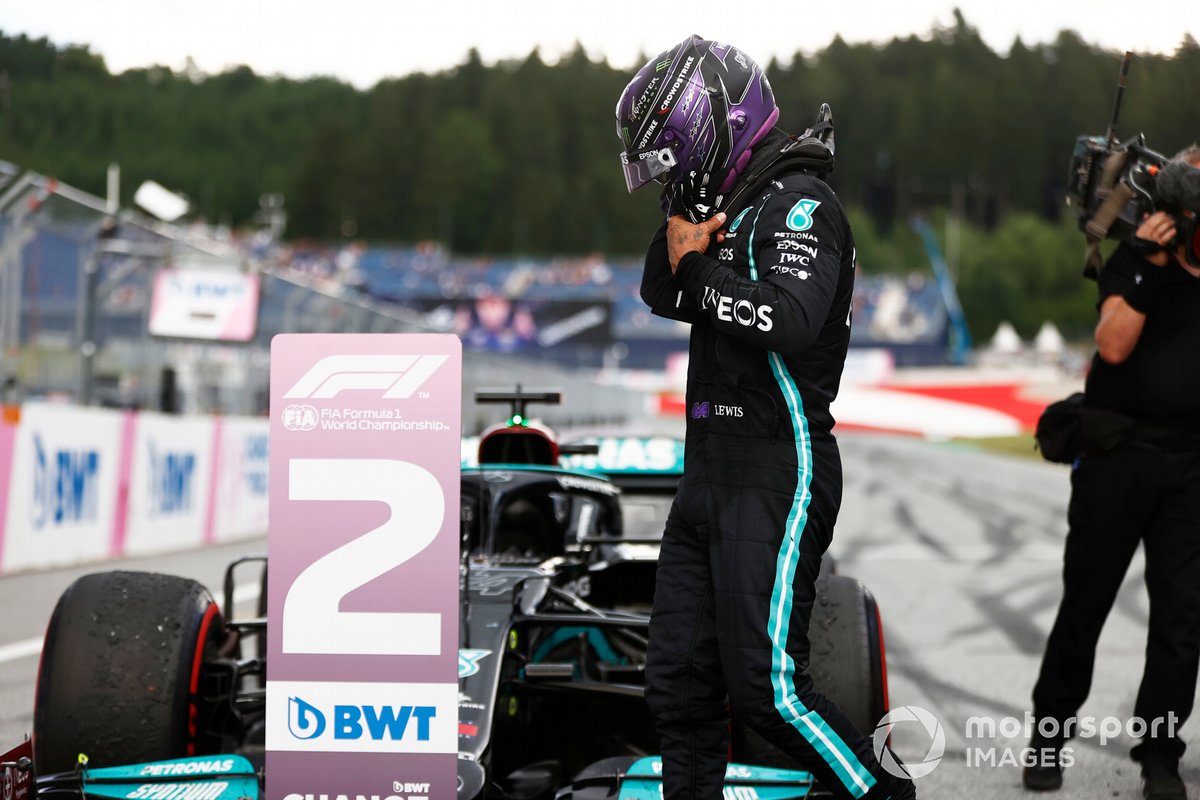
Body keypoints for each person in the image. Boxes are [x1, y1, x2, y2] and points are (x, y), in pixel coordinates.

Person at [615, 35, 915, 800]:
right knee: (678, 687)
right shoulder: (732, 205)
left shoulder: (802, 205)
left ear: (709, 126)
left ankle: (890, 795)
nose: (672, 175)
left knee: (770, 692)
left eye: (675, 155)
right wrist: (688, 237)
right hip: (710, 471)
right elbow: (662, 286)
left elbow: (789, 321)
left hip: (780, 465)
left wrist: (698, 264)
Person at [1025, 146, 1200, 799]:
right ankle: (1049, 735)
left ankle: (1160, 755)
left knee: (1182, 618)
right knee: (1087, 601)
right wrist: (1150, 266)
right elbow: (1114, 344)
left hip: (1190, 462)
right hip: (1119, 456)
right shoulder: (1134, 258)